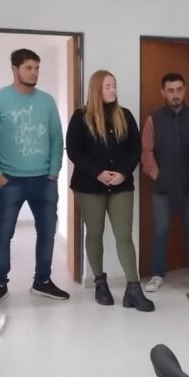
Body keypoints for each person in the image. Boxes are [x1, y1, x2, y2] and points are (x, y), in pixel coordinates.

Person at [0, 48, 69, 308]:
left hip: (44, 180)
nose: (34, 73)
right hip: (9, 181)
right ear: (14, 69)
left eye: (37, 68)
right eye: (29, 67)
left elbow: (56, 138)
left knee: (47, 232)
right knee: (3, 234)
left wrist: (54, 171)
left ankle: (42, 281)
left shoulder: (47, 101)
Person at [66, 70, 154, 312]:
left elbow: (135, 149)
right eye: (107, 86)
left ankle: (133, 289)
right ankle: (100, 283)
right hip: (89, 186)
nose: (113, 90)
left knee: (124, 235)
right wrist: (98, 172)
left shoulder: (125, 115)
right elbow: (74, 150)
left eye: (114, 85)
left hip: (121, 185)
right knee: (95, 233)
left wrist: (123, 173)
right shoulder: (81, 116)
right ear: (96, 89)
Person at [141, 73, 189, 292]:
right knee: (160, 231)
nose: (175, 95)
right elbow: (146, 150)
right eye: (170, 90)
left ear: (184, 90)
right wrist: (157, 175)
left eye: (179, 90)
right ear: (163, 92)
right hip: (162, 189)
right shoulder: (154, 118)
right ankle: (157, 275)